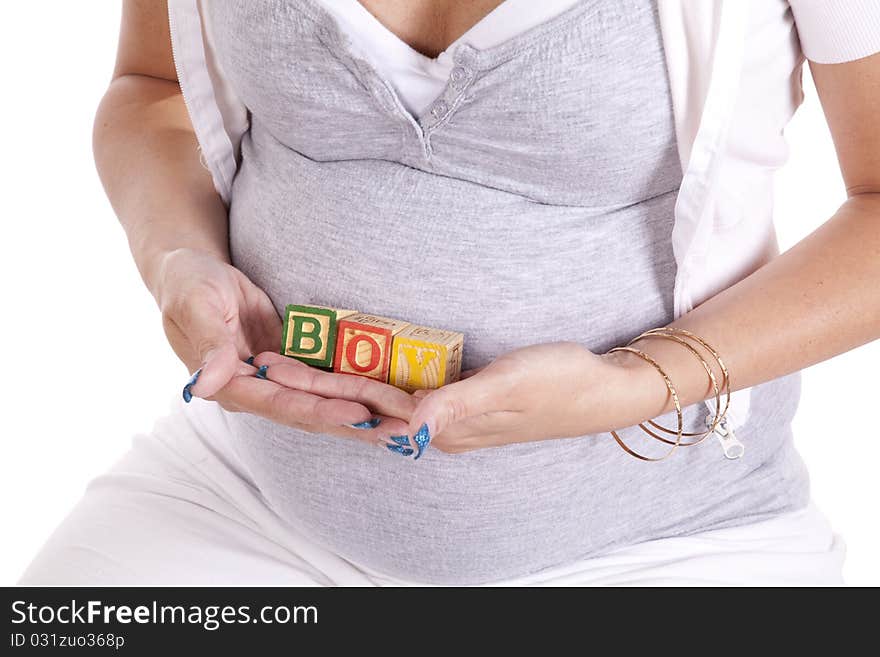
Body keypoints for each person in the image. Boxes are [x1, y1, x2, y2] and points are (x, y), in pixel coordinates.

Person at [20, 0, 880, 586]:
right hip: (241, 495)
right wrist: (176, 255)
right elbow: (150, 87)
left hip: (664, 542)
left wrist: (635, 381)